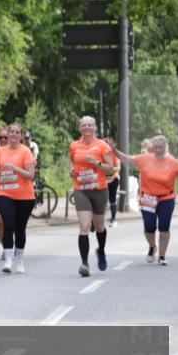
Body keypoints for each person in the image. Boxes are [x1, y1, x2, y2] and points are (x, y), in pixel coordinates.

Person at [111, 135, 178, 266]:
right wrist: (114, 150)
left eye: (161, 147)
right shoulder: (145, 159)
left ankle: (162, 256)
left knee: (164, 229)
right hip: (148, 198)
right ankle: (152, 246)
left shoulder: (172, 162)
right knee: (149, 228)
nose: (158, 150)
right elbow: (127, 159)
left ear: (166, 147)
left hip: (166, 199)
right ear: (152, 148)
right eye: (156, 147)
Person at [0, 123, 37, 273]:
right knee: (8, 225)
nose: (13, 135)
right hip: (5, 193)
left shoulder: (25, 152)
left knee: (20, 229)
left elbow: (31, 175)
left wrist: (16, 169)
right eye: (11, 132)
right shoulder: (0, 152)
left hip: (25, 196)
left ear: (21, 136)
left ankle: (19, 260)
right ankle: (8, 260)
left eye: (16, 132)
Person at [68, 116, 117, 277]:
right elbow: (72, 163)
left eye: (90, 125)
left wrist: (96, 163)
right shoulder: (74, 146)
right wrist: (72, 171)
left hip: (99, 189)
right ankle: (84, 264)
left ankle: (101, 251)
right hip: (81, 189)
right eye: (84, 125)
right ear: (79, 128)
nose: (87, 128)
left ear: (95, 128)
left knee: (100, 226)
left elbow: (111, 169)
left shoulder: (102, 146)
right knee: (84, 226)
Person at [103, 137, 121, 227]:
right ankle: (98, 220)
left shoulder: (114, 154)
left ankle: (113, 219)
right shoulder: (100, 154)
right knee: (100, 199)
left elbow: (118, 167)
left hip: (113, 178)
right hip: (102, 179)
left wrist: (109, 169)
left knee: (112, 198)